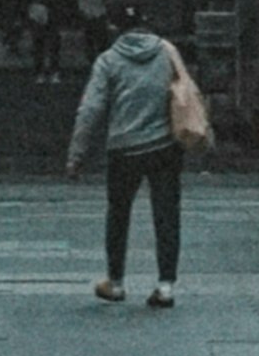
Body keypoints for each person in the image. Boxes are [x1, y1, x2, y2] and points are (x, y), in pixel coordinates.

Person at [72, 18, 208, 306]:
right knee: (167, 214)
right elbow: (187, 88)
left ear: (116, 30)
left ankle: (116, 282)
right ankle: (166, 285)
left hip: (124, 149)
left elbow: (91, 108)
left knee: (118, 214)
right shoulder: (167, 51)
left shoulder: (108, 60)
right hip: (164, 147)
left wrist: (77, 154)